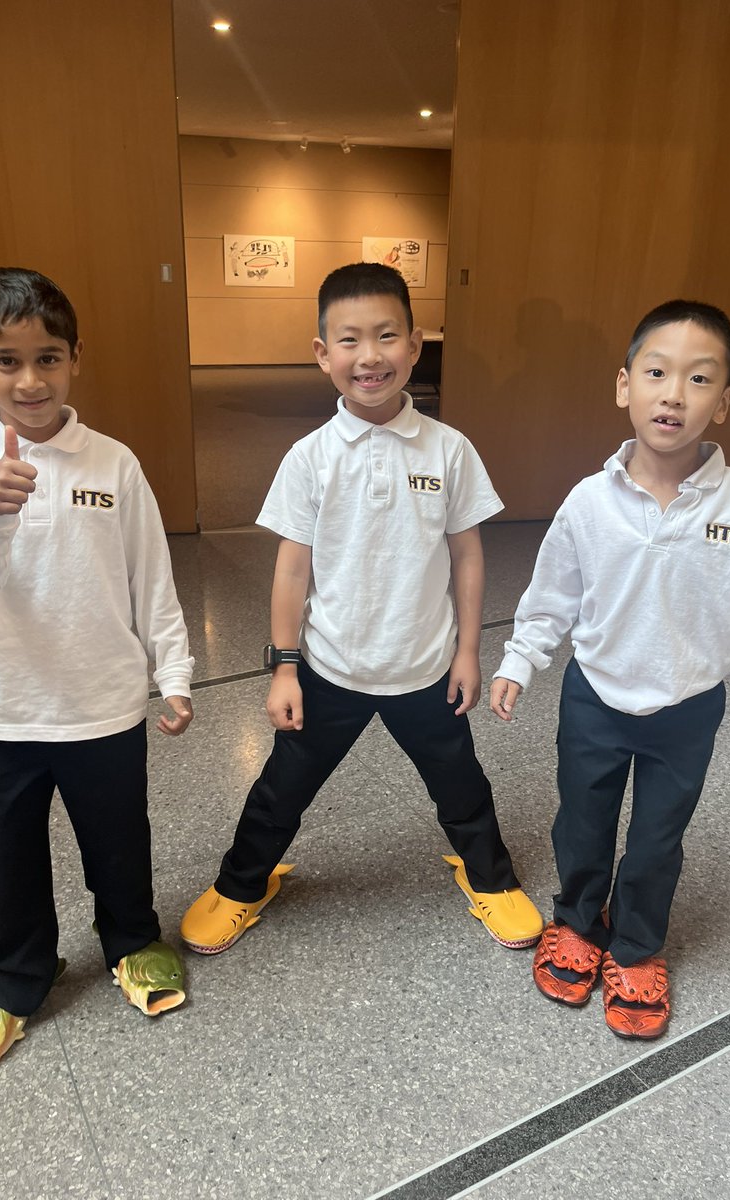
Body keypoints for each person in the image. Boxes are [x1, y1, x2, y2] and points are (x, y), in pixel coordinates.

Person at [182, 262, 542, 956]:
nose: (369, 356)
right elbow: (292, 568)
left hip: (425, 668)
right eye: (349, 340)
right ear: (323, 355)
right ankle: (242, 884)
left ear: (413, 345)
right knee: (280, 790)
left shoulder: (450, 449)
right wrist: (284, 667)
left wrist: (468, 651)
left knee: (462, 787)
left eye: (386, 337)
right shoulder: (310, 457)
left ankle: (490, 878)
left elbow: (467, 556)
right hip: (330, 666)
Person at [490, 299, 730, 1039]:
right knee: (584, 822)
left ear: (722, 403)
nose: (674, 394)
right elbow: (550, 598)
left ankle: (636, 946)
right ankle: (576, 920)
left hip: (689, 708)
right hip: (593, 697)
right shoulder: (589, 502)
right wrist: (519, 660)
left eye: (699, 380)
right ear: (624, 386)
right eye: (657, 373)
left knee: (659, 837)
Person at [0, 268, 195, 1085]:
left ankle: (132, 941)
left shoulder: (112, 462)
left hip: (105, 703)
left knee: (119, 837)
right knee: (10, 852)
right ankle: (17, 981)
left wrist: (173, 671)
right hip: (8, 709)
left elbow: (152, 577)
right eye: (6, 361)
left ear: (76, 358)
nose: (29, 380)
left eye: (48, 359)